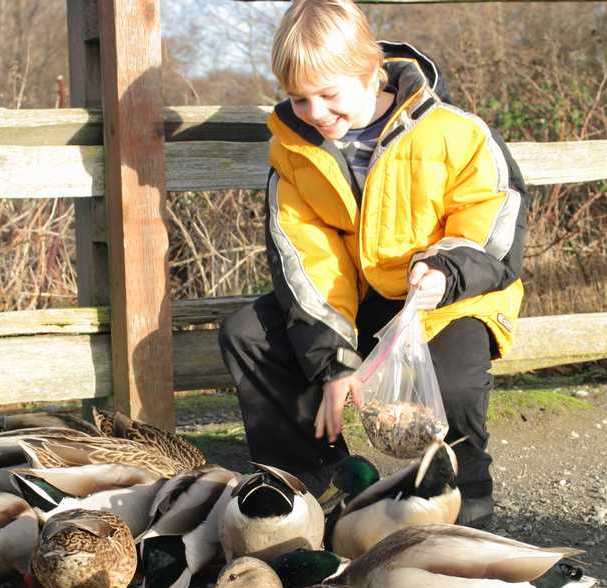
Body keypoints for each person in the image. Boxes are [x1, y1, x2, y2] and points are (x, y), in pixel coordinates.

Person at [218, 0, 528, 527]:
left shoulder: (456, 132)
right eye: (299, 98)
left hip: (447, 298)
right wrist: (334, 364)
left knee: (453, 384)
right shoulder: (293, 154)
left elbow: (495, 220)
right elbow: (307, 263)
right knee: (248, 333)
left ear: (370, 72)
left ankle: (465, 498)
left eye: (329, 94)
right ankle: (311, 486)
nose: (315, 112)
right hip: (354, 302)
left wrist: (445, 269)